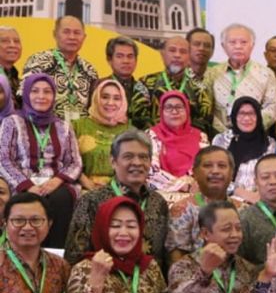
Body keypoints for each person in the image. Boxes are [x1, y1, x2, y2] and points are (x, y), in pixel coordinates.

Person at [64, 129, 169, 269]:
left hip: (147, 284)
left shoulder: (158, 202)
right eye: (128, 156)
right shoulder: (92, 201)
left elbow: (162, 257)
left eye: (143, 157)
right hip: (103, 282)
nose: (137, 163)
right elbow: (74, 257)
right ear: (113, 162)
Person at [0, 74, 82, 248]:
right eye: (35, 91)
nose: (41, 96)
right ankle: (21, 255)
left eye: (47, 92)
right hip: (21, 182)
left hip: (55, 183)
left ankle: (55, 255)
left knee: (62, 198)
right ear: (27, 94)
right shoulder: (12, 122)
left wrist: (57, 181)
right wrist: (27, 185)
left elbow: (75, 162)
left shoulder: (63, 126)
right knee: (27, 201)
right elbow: (3, 159)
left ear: (54, 96)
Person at [204, 23, 276, 133]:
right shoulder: (212, 73)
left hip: (254, 136)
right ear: (223, 46)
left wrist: (250, 128)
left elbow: (272, 107)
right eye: (232, 42)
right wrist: (222, 132)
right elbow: (206, 107)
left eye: (244, 42)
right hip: (218, 136)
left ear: (252, 45)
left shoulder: (266, 73)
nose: (238, 46)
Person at [165, 146, 236, 266]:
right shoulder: (183, 210)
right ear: (195, 173)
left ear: (231, 174)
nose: (215, 171)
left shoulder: (242, 209)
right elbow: (176, 261)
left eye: (222, 166)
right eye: (208, 165)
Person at [20, 16, 97, 124]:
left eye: (77, 33)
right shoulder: (39, 61)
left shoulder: (89, 70)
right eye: (66, 32)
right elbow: (24, 97)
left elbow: (95, 108)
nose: (72, 37)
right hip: (44, 132)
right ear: (55, 34)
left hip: (79, 135)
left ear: (84, 37)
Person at [129, 36, 214, 134]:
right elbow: (138, 119)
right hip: (154, 142)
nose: (177, 55)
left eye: (183, 52)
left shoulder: (200, 87)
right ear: (162, 54)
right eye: (172, 50)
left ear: (189, 57)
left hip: (188, 143)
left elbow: (204, 122)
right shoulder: (145, 82)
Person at [146, 92, 210, 205]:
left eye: (179, 107)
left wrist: (196, 187)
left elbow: (207, 167)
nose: (174, 112)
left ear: (187, 110)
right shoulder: (151, 135)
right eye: (168, 108)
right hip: (162, 194)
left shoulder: (200, 137)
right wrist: (184, 186)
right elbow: (150, 171)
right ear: (161, 112)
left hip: (196, 193)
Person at [213, 97, 276, 203]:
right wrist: (240, 192)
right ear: (234, 116)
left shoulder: (269, 143)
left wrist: (258, 196)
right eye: (241, 113)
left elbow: (270, 175)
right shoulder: (221, 140)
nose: (247, 118)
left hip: (258, 200)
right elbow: (216, 175)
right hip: (224, 199)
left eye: (252, 114)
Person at [72, 78, 129, 190]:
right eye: (105, 97)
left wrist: (112, 187)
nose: (110, 103)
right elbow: (68, 161)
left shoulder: (130, 131)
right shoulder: (77, 127)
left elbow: (134, 166)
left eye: (117, 98)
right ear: (96, 98)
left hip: (120, 190)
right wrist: (88, 184)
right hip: (83, 189)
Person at [237, 155, 276, 265]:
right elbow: (238, 266)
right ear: (256, 182)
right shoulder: (244, 220)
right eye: (265, 177)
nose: (273, 182)